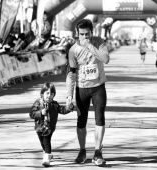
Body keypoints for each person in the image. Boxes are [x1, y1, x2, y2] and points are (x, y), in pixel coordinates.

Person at [66, 19, 110, 166]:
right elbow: (71, 74)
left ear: (92, 32)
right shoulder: (73, 50)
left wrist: (90, 46)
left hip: (98, 87)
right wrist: (69, 95)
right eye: (81, 34)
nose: (84, 37)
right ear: (77, 33)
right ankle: (82, 150)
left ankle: (98, 152)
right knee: (81, 121)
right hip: (82, 88)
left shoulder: (99, 42)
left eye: (87, 34)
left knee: (100, 119)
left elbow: (105, 59)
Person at [29, 82, 74, 167]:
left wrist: (69, 108)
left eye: (51, 94)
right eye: (47, 93)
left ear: (53, 95)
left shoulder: (54, 104)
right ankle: (48, 153)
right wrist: (40, 113)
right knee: (42, 143)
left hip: (49, 127)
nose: (49, 96)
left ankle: (46, 158)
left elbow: (62, 110)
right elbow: (31, 114)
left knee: (46, 141)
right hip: (39, 127)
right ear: (42, 93)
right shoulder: (38, 103)